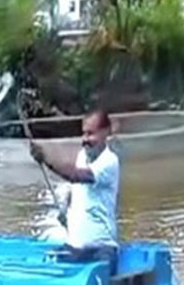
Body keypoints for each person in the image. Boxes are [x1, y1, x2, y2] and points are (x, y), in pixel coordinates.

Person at [29, 109, 120, 268]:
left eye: (91, 134)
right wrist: (66, 212)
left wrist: (47, 160)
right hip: (74, 247)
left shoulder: (109, 161)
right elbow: (76, 190)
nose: (85, 140)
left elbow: (77, 176)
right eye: (83, 134)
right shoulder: (82, 156)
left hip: (101, 249)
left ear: (106, 132)